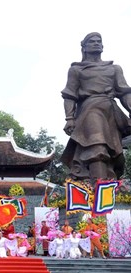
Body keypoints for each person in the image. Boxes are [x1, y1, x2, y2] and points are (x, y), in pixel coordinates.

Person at [61, 32, 131, 181]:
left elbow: (124, 92)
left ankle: (111, 184)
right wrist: (69, 118)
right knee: (96, 146)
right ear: (84, 47)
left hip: (111, 112)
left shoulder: (114, 68)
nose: (96, 43)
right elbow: (69, 95)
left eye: (99, 41)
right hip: (90, 110)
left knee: (115, 154)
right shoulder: (76, 70)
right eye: (92, 41)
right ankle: (97, 187)